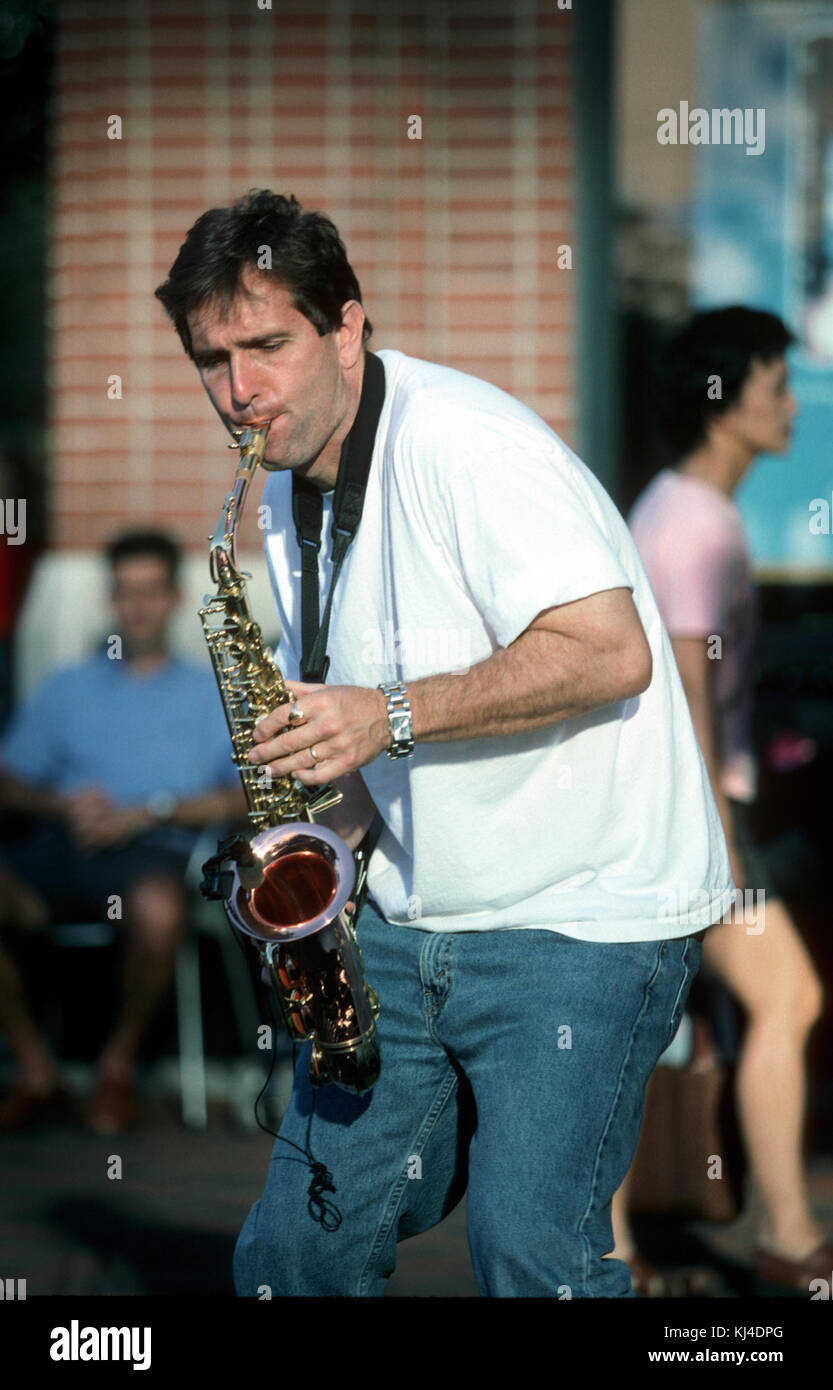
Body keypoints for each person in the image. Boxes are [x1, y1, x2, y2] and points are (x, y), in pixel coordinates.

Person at [155, 190, 732, 1299]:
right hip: (410, 920)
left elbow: (610, 651)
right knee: (292, 1258)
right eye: (211, 360)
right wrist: (320, 840)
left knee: (532, 1258)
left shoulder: (469, 446)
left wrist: (384, 714)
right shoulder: (280, 490)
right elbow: (376, 713)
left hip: (580, 915)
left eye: (268, 346)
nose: (240, 394)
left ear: (347, 328)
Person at [623, 306, 830, 1293]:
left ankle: (622, 1252)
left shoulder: (684, 505)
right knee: (784, 994)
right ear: (721, 400)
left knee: (622, 1029)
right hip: (685, 816)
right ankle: (786, 1237)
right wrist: (717, 843)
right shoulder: (693, 522)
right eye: (773, 383)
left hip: (679, 812)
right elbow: (683, 688)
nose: (790, 403)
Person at [0, 529, 246, 1134]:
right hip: (64, 845)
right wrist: (63, 803)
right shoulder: (69, 685)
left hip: (155, 854)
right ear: (110, 600)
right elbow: (8, 780)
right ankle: (36, 1071)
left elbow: (243, 795)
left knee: (159, 912)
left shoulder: (207, 692)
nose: (136, 607)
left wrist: (147, 812)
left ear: (173, 597)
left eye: (150, 592)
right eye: (124, 593)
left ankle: (116, 1067)